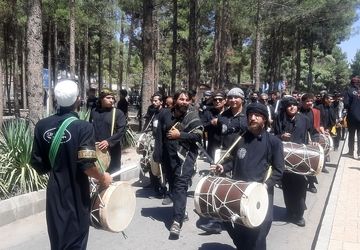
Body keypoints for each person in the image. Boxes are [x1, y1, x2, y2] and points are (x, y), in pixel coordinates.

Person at [31, 80, 112, 250]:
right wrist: (103, 177)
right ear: (78, 100)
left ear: (55, 98)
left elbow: (39, 165)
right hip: (76, 195)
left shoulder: (41, 126)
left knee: (58, 242)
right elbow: (87, 165)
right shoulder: (84, 128)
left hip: (54, 194)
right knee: (76, 243)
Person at [214, 102, 284, 250]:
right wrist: (222, 167)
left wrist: (264, 186)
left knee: (259, 234)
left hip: (261, 194)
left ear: (264, 119)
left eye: (257, 115)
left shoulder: (274, 142)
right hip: (239, 192)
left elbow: (279, 171)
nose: (253, 118)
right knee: (238, 228)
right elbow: (232, 161)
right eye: (250, 115)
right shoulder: (240, 138)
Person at [153, 90, 203, 239]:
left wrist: (179, 135)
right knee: (174, 185)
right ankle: (181, 210)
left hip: (186, 156)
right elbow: (159, 137)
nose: (185, 102)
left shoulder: (192, 115)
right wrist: (158, 155)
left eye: (187, 100)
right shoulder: (164, 114)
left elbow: (198, 136)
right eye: (181, 99)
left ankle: (176, 221)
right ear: (174, 101)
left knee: (180, 185)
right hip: (169, 157)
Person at [274, 97, 319, 227]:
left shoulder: (304, 119)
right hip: (283, 159)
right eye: (289, 106)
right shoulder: (279, 118)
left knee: (300, 186)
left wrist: (315, 139)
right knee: (287, 187)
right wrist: (280, 136)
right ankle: (289, 211)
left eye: (294, 105)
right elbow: (272, 135)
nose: (292, 107)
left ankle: (299, 215)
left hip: (300, 159)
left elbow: (314, 132)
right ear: (285, 108)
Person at [90, 88, 126, 175]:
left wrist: (108, 142)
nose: (111, 100)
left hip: (112, 150)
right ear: (101, 99)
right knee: (97, 177)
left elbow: (121, 131)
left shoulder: (118, 113)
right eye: (108, 98)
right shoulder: (94, 112)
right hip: (96, 151)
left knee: (113, 177)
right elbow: (90, 128)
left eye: (112, 98)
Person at [299, 93, 323, 193]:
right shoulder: (297, 111)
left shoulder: (316, 112)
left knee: (311, 161)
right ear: (302, 102)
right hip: (299, 140)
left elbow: (316, 129)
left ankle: (311, 183)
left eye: (311, 101)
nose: (309, 103)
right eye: (307, 101)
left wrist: (315, 141)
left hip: (311, 140)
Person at [343, 76, 360, 159]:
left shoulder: (349, 91)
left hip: (352, 116)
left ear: (351, 83)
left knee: (351, 135)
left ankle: (350, 152)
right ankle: (359, 153)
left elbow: (346, 104)